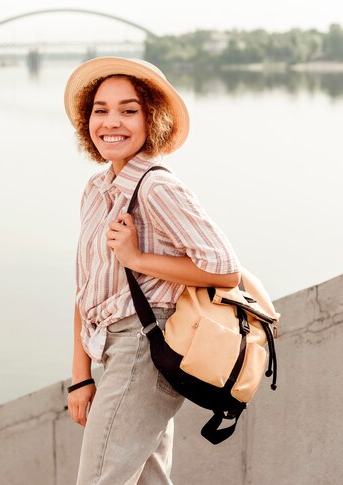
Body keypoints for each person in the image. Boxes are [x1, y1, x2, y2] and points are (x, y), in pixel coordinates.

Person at [64, 57, 242, 484]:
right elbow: (85, 288)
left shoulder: (158, 187)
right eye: (100, 110)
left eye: (129, 110)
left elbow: (224, 270)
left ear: (151, 119)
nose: (112, 122)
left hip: (144, 349)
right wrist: (79, 376)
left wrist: (137, 259)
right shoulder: (97, 188)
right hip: (113, 349)